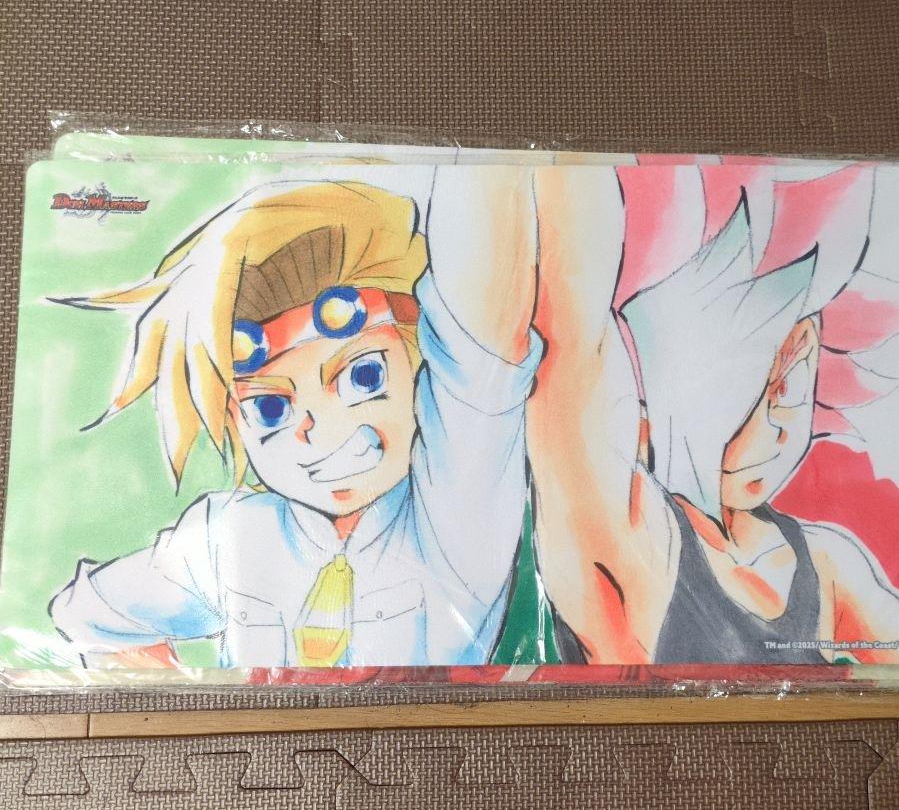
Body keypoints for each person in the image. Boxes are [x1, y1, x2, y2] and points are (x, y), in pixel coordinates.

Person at [49, 171, 542, 669]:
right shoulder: (228, 536)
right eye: (270, 408)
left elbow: (479, 343)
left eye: (364, 376)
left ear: (416, 359)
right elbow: (89, 614)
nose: (319, 431)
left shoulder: (454, 513)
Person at [527, 163, 899, 666]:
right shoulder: (636, 543)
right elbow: (569, 337)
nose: (776, 424)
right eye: (740, 388)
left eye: (790, 383)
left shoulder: (823, 564)